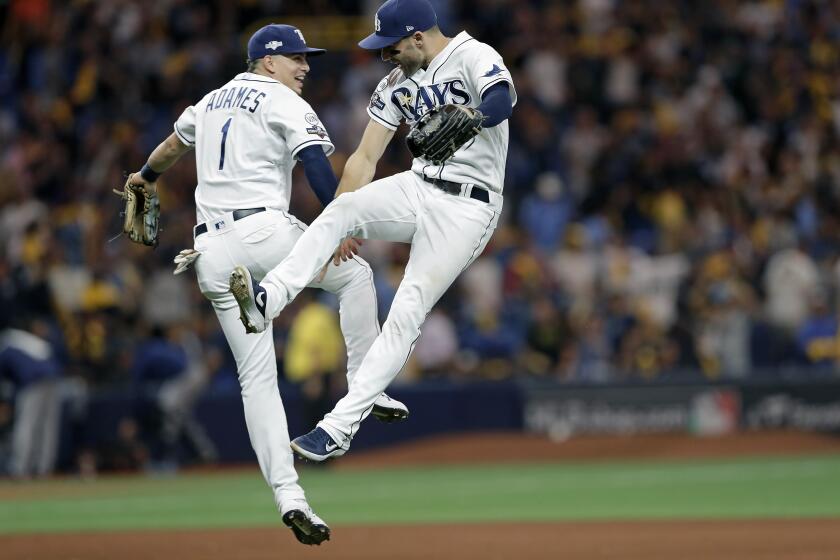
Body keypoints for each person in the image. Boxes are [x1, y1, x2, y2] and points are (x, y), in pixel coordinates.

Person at [125, 23, 408, 546]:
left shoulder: (207, 102)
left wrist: (143, 176)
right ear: (268, 62)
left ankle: (290, 497)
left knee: (256, 381)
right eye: (296, 58)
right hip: (264, 232)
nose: (304, 67)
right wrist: (336, 222)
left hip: (209, 252)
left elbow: (168, 148)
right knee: (357, 274)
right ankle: (367, 385)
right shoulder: (279, 99)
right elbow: (317, 168)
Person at [230, 0, 516, 461]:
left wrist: (476, 117)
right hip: (418, 185)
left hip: (468, 205)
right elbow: (364, 158)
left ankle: (338, 428)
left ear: (419, 37)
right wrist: (342, 220)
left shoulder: (473, 55)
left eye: (392, 46)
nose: (386, 56)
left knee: (407, 307)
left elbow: (501, 98)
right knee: (340, 212)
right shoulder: (395, 84)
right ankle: (268, 299)